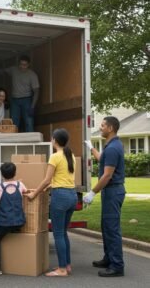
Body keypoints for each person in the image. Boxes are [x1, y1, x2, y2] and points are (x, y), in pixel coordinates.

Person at [27, 128, 77, 277]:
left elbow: (47, 179)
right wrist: (47, 187)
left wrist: (34, 193)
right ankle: (66, 265)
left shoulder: (55, 156)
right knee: (63, 233)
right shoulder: (70, 155)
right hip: (72, 195)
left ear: (54, 140)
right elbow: (62, 178)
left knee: (58, 233)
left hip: (60, 197)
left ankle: (61, 270)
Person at [84, 116, 125, 277]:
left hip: (113, 191)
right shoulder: (111, 146)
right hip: (111, 192)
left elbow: (107, 175)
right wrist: (91, 148)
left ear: (111, 128)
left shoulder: (114, 148)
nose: (100, 128)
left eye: (102, 125)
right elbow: (103, 160)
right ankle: (108, 258)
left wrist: (93, 192)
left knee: (112, 229)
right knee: (106, 226)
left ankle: (117, 266)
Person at [0, 162, 27, 275]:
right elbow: (24, 192)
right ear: (15, 173)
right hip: (19, 221)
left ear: (2, 174)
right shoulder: (20, 184)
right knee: (9, 228)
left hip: (5, 222)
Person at [0, 55, 39, 132]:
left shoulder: (32, 75)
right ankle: (14, 141)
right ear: (18, 64)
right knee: (14, 122)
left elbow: (36, 91)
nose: (22, 66)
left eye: (25, 65)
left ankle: (30, 141)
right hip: (15, 100)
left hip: (27, 99)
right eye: (21, 64)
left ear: (28, 65)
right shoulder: (14, 70)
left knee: (29, 122)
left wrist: (32, 106)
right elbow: (4, 71)